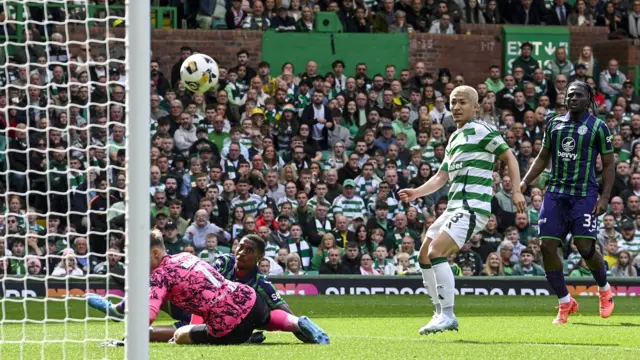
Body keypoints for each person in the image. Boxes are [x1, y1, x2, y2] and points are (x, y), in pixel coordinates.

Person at [399, 86, 526, 335]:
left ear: (475, 107)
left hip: (472, 206)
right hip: (455, 206)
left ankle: (448, 314)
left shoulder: (483, 130)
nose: (456, 107)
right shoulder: (454, 138)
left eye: (462, 103)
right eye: (453, 103)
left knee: (436, 252)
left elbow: (509, 157)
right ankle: (439, 312)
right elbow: (441, 176)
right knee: (423, 255)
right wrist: (417, 192)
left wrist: (517, 190)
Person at [86, 232, 329, 345]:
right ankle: (297, 323)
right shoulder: (184, 256)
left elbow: (147, 317)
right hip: (249, 299)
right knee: (264, 318)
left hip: (223, 321)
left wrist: (128, 340)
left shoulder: (160, 275)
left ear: (156, 252)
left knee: (180, 335)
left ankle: (243, 339)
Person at [520, 81, 615, 324]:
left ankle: (604, 289)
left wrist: (604, 197)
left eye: (578, 95)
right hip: (555, 193)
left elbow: (608, 165)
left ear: (588, 99)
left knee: (585, 247)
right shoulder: (554, 123)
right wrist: (525, 182)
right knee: (546, 246)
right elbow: (543, 157)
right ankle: (565, 302)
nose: (573, 98)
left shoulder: (598, 127)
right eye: (570, 94)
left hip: (584, 195)